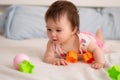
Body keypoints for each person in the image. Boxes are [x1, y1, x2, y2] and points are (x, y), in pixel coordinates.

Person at [43, 1, 105, 69]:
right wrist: (54, 60)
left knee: (100, 42)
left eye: (58, 30)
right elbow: (47, 58)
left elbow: (96, 49)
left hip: (91, 40)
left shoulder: (84, 42)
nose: (52, 34)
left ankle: (99, 32)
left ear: (73, 30)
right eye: (49, 29)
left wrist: (100, 62)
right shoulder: (52, 44)